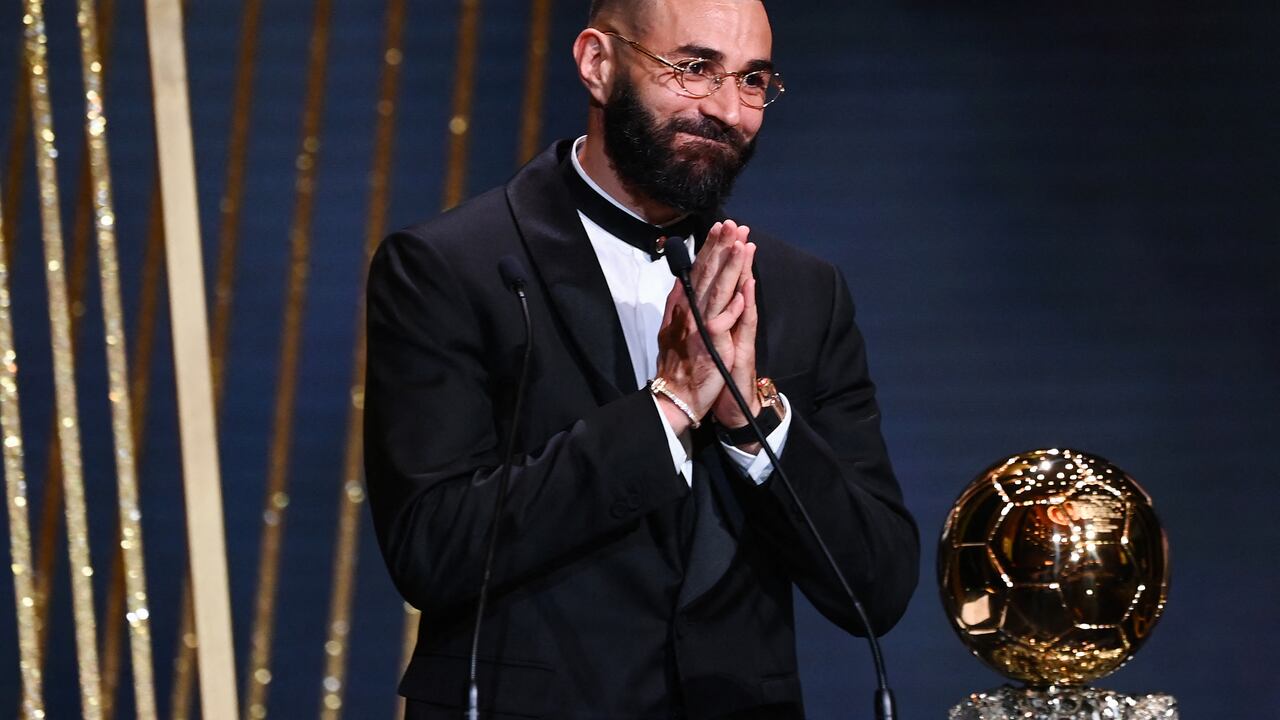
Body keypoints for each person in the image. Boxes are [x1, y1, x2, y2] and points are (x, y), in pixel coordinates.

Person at [363, 0, 919, 717]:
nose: (728, 109)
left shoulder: (804, 292)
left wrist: (756, 424)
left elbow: (876, 586)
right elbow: (432, 547)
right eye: (694, 69)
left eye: (753, 80)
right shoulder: (454, 267)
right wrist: (670, 407)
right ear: (598, 64)